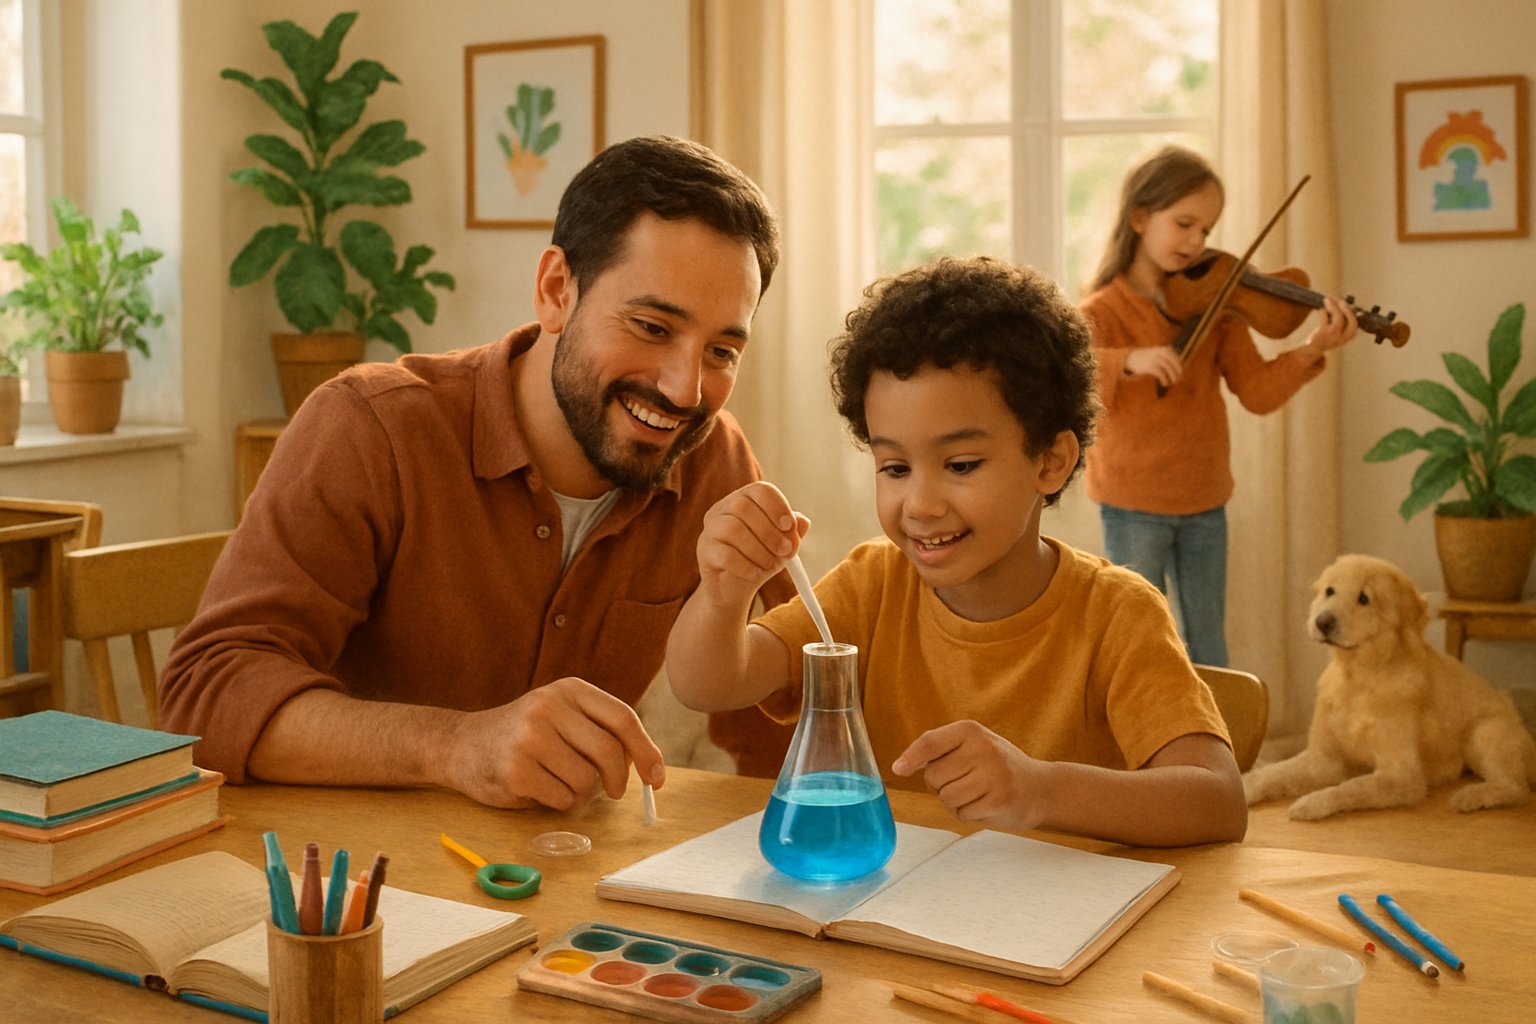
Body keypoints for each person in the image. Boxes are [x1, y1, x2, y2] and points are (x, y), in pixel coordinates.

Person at [160, 135, 794, 810]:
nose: (686, 389)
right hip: (353, 883)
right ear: (556, 290)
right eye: (650, 326)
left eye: (722, 350)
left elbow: (778, 700)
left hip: (561, 878)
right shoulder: (370, 427)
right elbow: (206, 698)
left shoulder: (712, 459)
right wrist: (456, 746)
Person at [666, 256, 1247, 847]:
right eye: (894, 466)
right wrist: (724, 591)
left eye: (961, 465)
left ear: (1050, 461)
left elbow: (1217, 801)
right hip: (896, 914)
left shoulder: (1118, 614)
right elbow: (709, 684)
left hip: (1062, 925)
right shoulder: (872, 585)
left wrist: (1040, 790)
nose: (919, 504)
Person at [1081, 145, 1360, 667]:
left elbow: (1257, 392)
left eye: (1206, 230)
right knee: (1139, 639)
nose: (1197, 242)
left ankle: (1216, 746)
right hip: (1132, 504)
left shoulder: (1217, 303)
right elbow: (1064, 374)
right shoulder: (1103, 311)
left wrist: (1313, 349)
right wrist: (1129, 361)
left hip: (1204, 500)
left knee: (1209, 643)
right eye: (1184, 223)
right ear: (1140, 217)